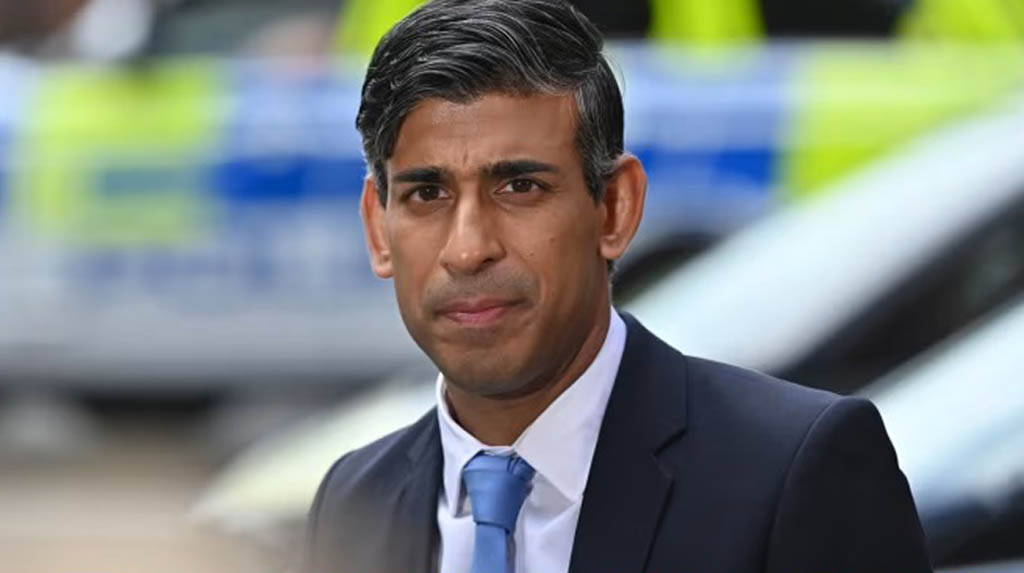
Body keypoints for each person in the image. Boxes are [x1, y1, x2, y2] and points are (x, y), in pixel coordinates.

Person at [302, 1, 932, 572]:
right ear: (378, 230)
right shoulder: (355, 500)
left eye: (520, 187)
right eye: (427, 194)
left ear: (614, 209)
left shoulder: (795, 468)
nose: (468, 249)